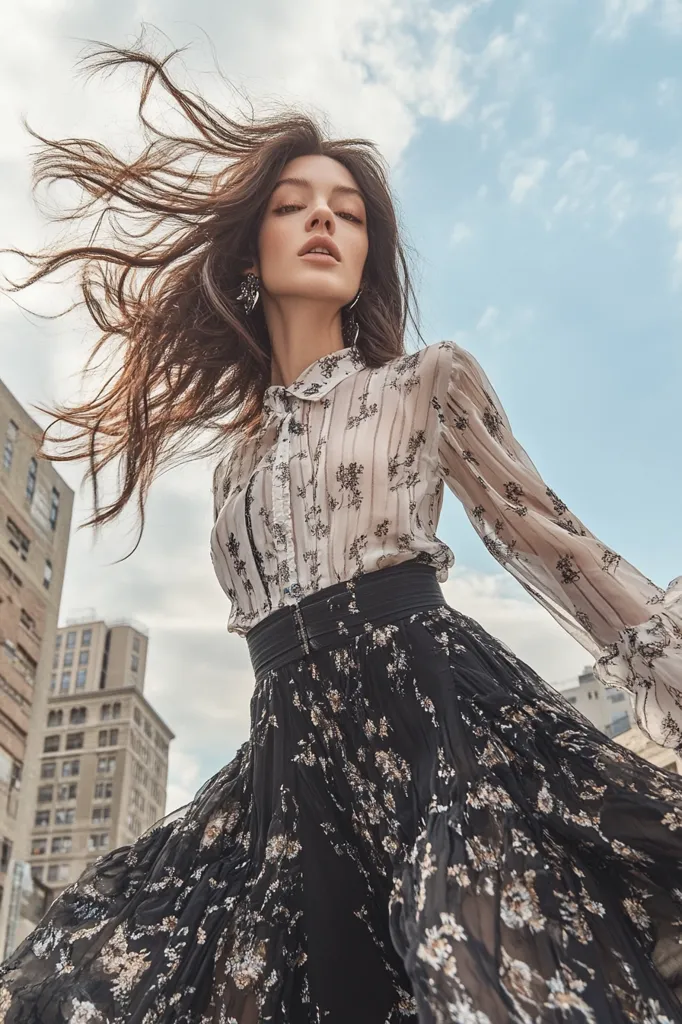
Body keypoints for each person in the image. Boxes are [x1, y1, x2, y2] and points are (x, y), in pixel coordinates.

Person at [1, 43, 682, 1024]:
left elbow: (555, 547)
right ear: (249, 255)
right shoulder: (234, 469)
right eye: (294, 204)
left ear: (364, 256)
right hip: (293, 784)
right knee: (109, 981)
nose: (325, 217)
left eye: (350, 212)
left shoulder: (423, 383)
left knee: (471, 967)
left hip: (438, 735)